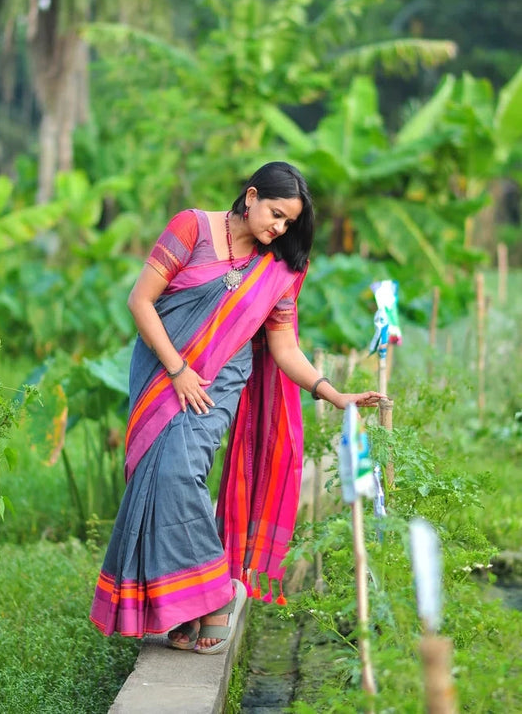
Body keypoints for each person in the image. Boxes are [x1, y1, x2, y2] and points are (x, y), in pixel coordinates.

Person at [90, 161, 384, 654]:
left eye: (289, 223)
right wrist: (178, 369)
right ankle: (194, 602)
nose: (279, 228)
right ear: (249, 196)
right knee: (154, 479)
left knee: (178, 475)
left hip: (219, 382)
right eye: (275, 213)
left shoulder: (280, 270)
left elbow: (284, 348)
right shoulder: (191, 227)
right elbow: (141, 301)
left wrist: (332, 392)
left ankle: (217, 595)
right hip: (163, 371)